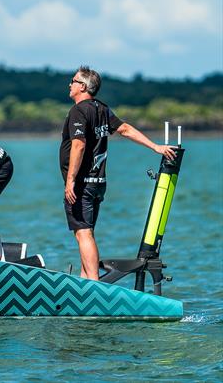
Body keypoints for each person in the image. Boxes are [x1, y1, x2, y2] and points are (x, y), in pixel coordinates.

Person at [61, 66, 176, 280]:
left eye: (74, 81)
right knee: (86, 233)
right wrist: (155, 146)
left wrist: (70, 181)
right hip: (98, 184)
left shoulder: (79, 110)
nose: (70, 84)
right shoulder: (101, 108)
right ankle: (85, 280)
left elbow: (78, 145)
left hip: (82, 185)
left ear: (83, 86)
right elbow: (124, 129)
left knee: (83, 233)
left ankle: (93, 285)